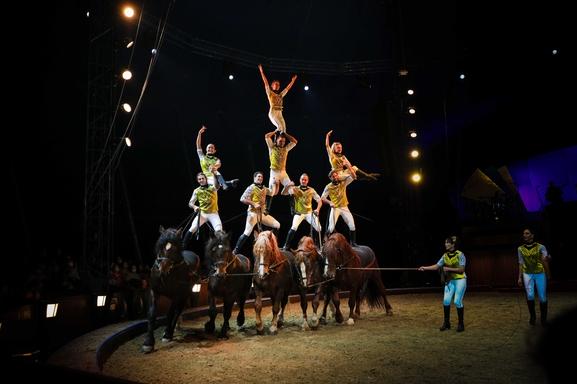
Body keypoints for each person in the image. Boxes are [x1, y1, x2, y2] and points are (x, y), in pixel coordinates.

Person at [418, 236, 467, 332]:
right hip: (449, 281)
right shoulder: (445, 256)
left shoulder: (460, 255)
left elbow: (461, 270)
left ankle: (461, 324)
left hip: (460, 280)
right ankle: (447, 323)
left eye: (448, 242)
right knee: (446, 301)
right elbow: (437, 266)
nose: (446, 244)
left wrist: (447, 269)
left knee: (457, 301)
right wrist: (424, 268)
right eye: (445, 242)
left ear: (453, 244)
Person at [232, 171, 280, 255]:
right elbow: (242, 198)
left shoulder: (264, 188)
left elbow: (273, 193)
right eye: (258, 177)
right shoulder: (251, 187)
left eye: (261, 177)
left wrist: (277, 184)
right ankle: (235, 251)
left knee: (277, 225)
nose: (260, 178)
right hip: (253, 213)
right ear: (254, 178)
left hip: (262, 214)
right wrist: (254, 203)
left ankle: (272, 245)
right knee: (247, 232)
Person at [517, 227, 551, 326]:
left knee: (542, 296)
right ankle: (533, 317)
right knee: (530, 295)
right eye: (524, 233)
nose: (525, 235)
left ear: (532, 235)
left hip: (540, 272)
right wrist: (519, 277)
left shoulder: (541, 247)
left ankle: (543, 319)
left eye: (527, 233)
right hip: (527, 273)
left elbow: (546, 259)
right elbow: (520, 263)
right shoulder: (520, 249)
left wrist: (548, 259)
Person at [280, 173, 322, 250]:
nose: (303, 181)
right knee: (294, 227)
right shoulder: (295, 189)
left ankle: (317, 246)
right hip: (299, 213)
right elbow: (283, 193)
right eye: (302, 179)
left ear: (307, 181)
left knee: (319, 228)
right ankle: (286, 245)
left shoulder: (311, 190)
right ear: (300, 180)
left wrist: (317, 209)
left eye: (305, 180)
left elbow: (319, 201)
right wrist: (288, 185)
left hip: (309, 213)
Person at [182, 171, 222, 249]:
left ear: (206, 179)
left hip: (213, 213)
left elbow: (217, 186)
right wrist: (194, 207)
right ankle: (183, 246)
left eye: (202, 178)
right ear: (198, 181)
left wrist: (214, 174)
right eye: (199, 179)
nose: (201, 180)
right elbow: (190, 203)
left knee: (219, 230)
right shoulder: (196, 191)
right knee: (192, 228)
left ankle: (220, 248)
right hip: (203, 214)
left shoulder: (212, 187)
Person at [321, 170, 357, 246]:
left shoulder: (343, 183)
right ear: (330, 178)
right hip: (335, 208)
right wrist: (330, 202)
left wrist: (348, 166)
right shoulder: (328, 187)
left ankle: (353, 243)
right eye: (333, 176)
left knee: (352, 225)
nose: (335, 177)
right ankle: (325, 243)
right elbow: (323, 198)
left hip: (344, 207)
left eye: (336, 175)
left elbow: (354, 176)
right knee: (331, 228)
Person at [196, 126, 238, 190]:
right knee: (215, 187)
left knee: (215, 172)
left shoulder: (216, 159)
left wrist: (214, 167)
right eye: (209, 147)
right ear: (206, 149)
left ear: (214, 151)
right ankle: (227, 183)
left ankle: (224, 184)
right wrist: (199, 133)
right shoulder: (202, 157)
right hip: (206, 178)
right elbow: (198, 145)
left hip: (214, 176)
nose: (210, 148)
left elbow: (219, 164)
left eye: (212, 148)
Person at [258, 64, 297, 133]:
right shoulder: (269, 93)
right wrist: (261, 72)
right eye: (275, 84)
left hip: (280, 113)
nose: (277, 85)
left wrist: (293, 81)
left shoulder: (280, 95)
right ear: (272, 86)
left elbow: (287, 88)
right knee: (279, 127)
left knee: (284, 130)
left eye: (278, 84)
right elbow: (265, 83)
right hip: (273, 112)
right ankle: (271, 139)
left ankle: (281, 142)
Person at [265, 129, 297, 211]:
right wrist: (275, 131)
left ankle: (293, 210)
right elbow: (267, 136)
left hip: (283, 172)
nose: (282, 143)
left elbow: (294, 141)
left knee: (291, 189)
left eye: (283, 141)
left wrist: (285, 134)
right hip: (274, 172)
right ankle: (266, 209)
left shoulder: (286, 149)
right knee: (272, 191)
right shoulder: (272, 147)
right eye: (280, 141)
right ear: (276, 140)